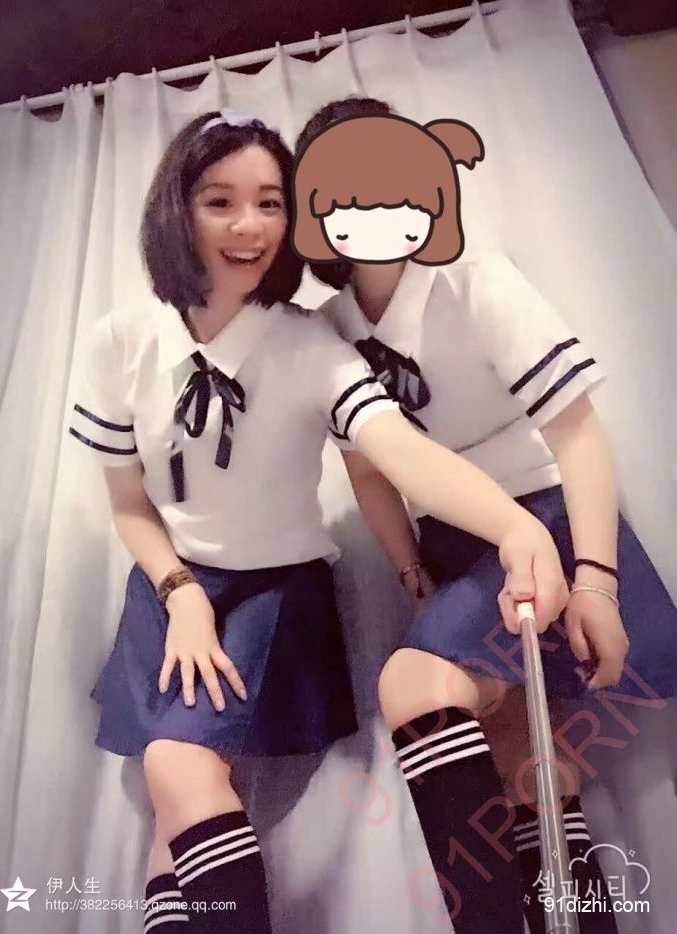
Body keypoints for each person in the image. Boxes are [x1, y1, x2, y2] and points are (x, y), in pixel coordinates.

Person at [68, 109, 569, 934]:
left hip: (271, 597)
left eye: (271, 203)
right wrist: (180, 591)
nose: (249, 226)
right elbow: (129, 505)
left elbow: (399, 453)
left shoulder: (311, 347)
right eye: (220, 201)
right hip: (170, 589)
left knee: (177, 767)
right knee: (171, 808)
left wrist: (516, 528)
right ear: (174, 209)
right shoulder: (119, 342)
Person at [293, 97, 677, 934]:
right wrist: (411, 571)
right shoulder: (325, 330)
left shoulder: (476, 279)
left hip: (549, 513)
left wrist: (597, 581)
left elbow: (578, 434)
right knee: (525, 762)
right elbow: (368, 472)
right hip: (450, 538)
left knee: (426, 693)